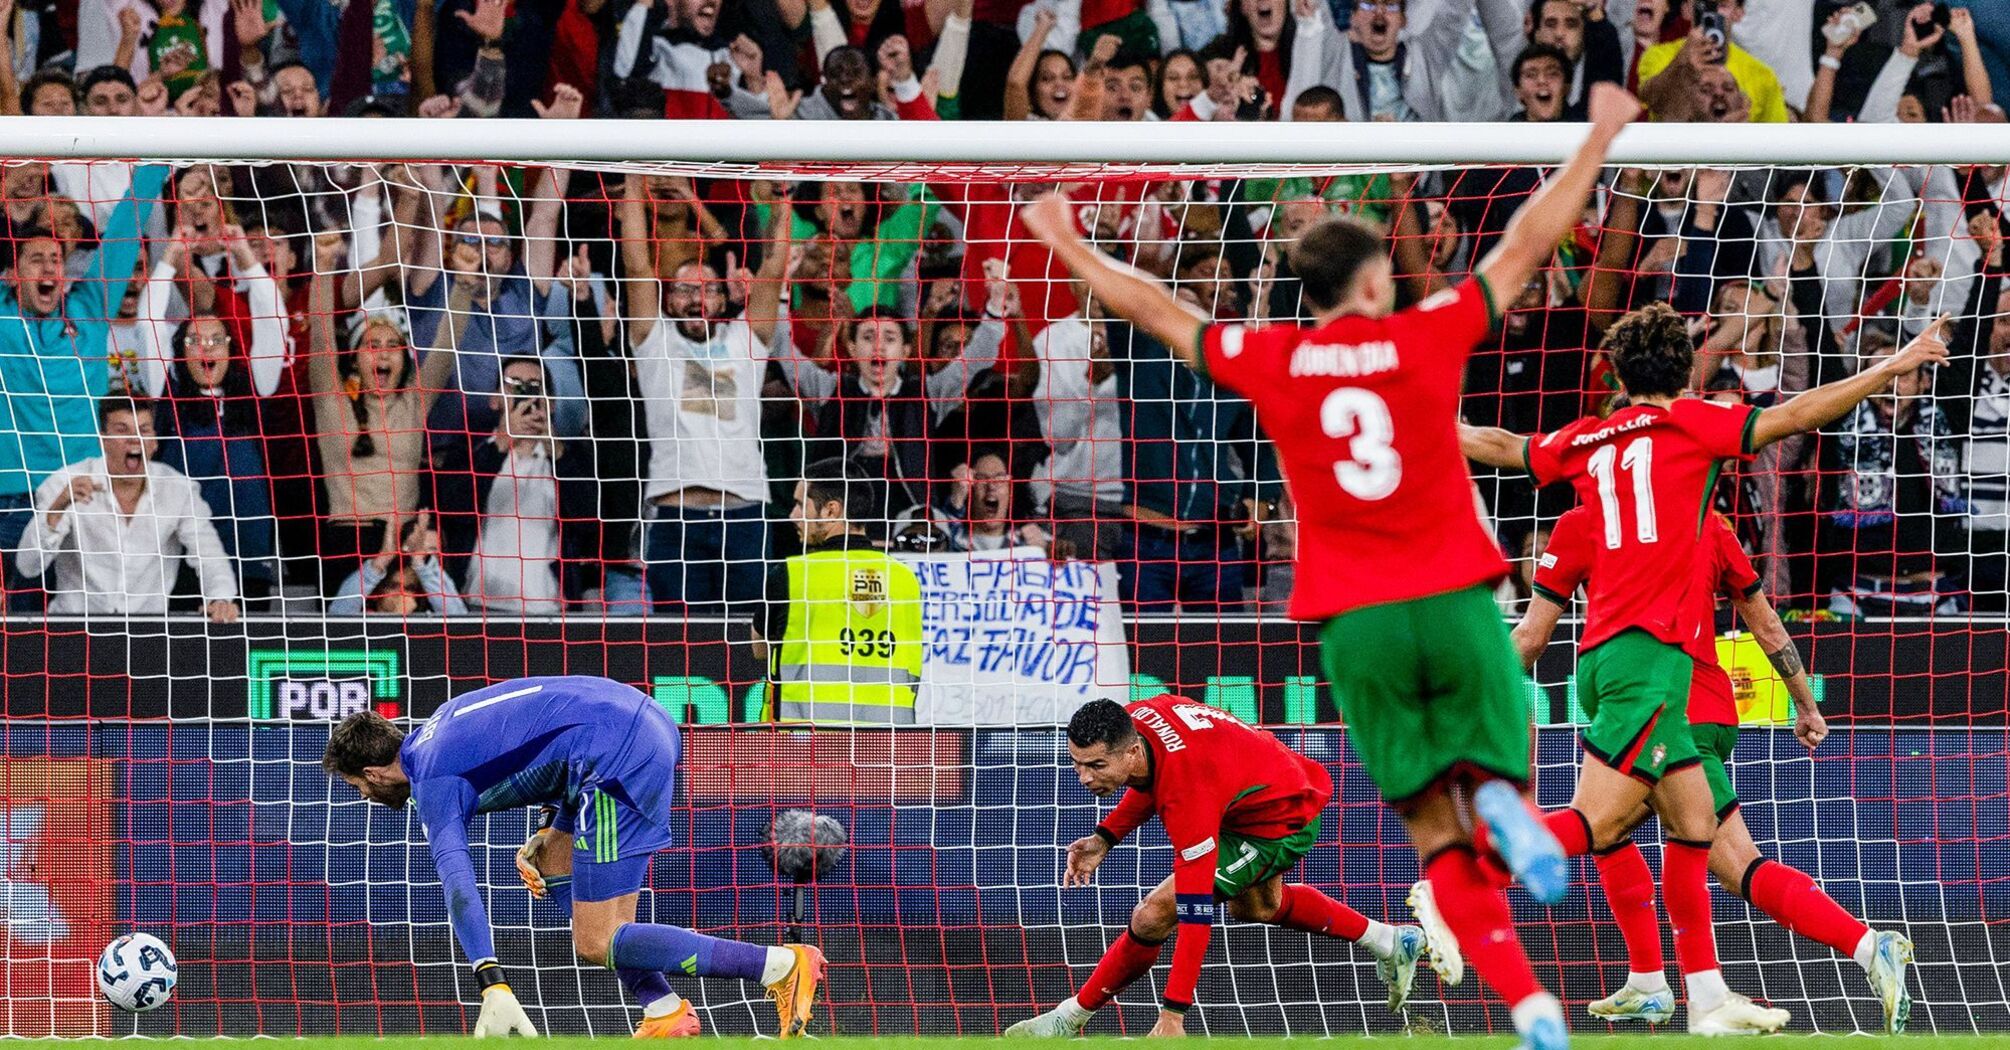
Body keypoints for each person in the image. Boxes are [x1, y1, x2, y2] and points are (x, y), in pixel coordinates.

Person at [1019, 75, 1648, 1050]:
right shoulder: (1423, 334)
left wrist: (1064, 238)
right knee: (1489, 781)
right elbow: (1524, 243)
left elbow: (1153, 308)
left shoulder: (1273, 357)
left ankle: (1530, 1006)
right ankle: (1505, 801)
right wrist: (1601, 136)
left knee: (1432, 839)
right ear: (1373, 284)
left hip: (1356, 620)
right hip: (1455, 594)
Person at [1458, 304, 1952, 1035]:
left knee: (1626, 830)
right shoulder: (1708, 500)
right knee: (1690, 835)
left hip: (1658, 682)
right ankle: (1689, 988)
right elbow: (1763, 598)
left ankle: (1465, 883)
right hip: (1697, 692)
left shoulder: (1587, 488)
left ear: (1616, 379)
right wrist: (1891, 365)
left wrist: (1426, 424)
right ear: (1685, 373)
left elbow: (1505, 462)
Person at [1514, 505, 1916, 1033]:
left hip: (1665, 705)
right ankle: (1657, 982)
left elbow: (1530, 636)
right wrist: (1806, 704)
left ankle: (1472, 866)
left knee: (1602, 823)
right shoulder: (1710, 524)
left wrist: (1477, 695)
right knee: (1653, 842)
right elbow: (1766, 623)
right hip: (1705, 704)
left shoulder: (1591, 522)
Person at [322, 677, 826, 1038]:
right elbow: (548, 735)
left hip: (615, 757)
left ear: (375, 770)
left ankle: (779, 964)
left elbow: (457, 882)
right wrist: (550, 829)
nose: (364, 797)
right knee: (556, 864)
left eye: (356, 787)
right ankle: (664, 1009)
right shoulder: (440, 724)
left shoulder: (431, 781)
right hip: (634, 722)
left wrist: (489, 978)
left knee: (596, 941)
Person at [1007, 696, 1443, 1037]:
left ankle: (1069, 1017)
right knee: (1257, 907)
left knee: (1153, 913)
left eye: (1096, 766)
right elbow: (1147, 778)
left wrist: (1174, 1013)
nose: (1084, 777)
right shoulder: (1137, 722)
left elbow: (1195, 914)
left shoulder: (1188, 794)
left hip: (1282, 821)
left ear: (1132, 750)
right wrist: (1105, 837)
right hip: (1263, 789)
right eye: (1078, 764)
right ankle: (1391, 940)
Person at [20, 398, 240, 622]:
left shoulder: (178, 488)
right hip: (74, 629)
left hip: (147, 633)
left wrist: (220, 598)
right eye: (121, 430)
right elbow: (27, 567)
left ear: (154, 441)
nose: (134, 439)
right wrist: (57, 509)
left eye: (144, 430)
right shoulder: (65, 482)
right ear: (103, 440)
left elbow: (209, 553)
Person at [753, 460, 923, 726]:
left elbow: (759, 648)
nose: (792, 516)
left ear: (830, 510)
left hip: (805, 749)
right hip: (888, 747)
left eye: (800, 505)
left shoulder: (792, 574)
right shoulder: (906, 579)